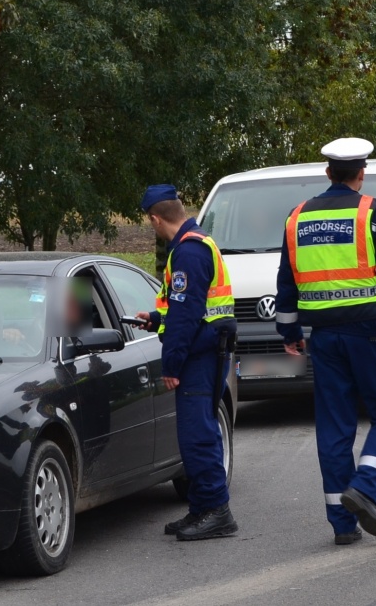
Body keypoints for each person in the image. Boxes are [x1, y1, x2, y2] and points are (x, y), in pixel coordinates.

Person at [275, 138, 376, 545]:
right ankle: (365, 487)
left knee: (334, 426)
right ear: (361, 173)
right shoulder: (372, 212)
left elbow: (287, 282)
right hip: (367, 332)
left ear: (328, 172)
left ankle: (342, 523)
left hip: (323, 337)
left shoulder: (297, 217)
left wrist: (290, 333)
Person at [134, 184, 238, 542]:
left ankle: (217, 511)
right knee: (197, 434)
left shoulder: (189, 251)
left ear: (155, 219)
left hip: (199, 356)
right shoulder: (194, 244)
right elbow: (187, 308)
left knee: (198, 437)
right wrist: (155, 319)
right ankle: (201, 508)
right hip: (205, 349)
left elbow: (186, 316)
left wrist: (171, 365)